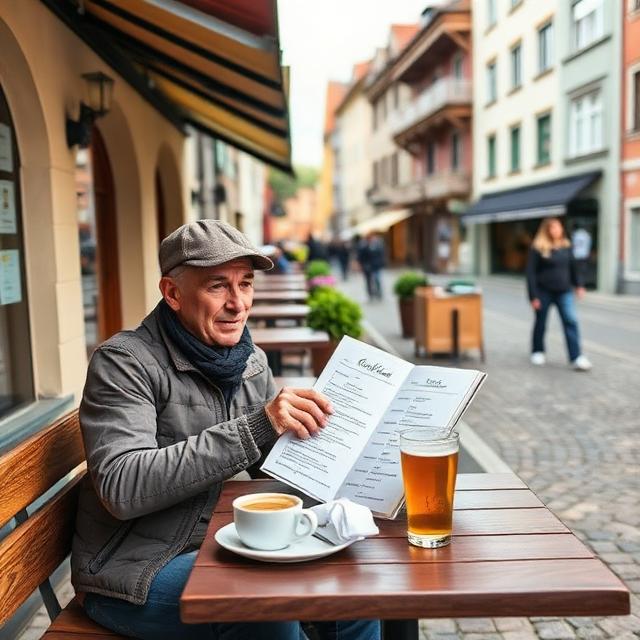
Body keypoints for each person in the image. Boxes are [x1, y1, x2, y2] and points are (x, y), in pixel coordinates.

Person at [72, 219, 380, 640]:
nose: (238, 303)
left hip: (222, 541)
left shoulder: (249, 360)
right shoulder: (122, 363)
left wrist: (347, 463)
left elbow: (273, 473)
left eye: (246, 284)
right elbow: (122, 487)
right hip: (133, 571)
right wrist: (259, 426)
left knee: (356, 588)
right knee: (266, 607)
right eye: (218, 286)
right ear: (173, 293)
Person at [525, 217, 592, 371]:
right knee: (541, 322)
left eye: (558, 227)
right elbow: (531, 273)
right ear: (547, 230)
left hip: (564, 291)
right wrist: (533, 296)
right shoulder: (538, 248)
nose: (557, 230)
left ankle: (576, 357)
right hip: (543, 292)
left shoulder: (566, 246)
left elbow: (573, 268)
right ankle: (538, 351)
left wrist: (579, 285)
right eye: (553, 228)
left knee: (571, 321)